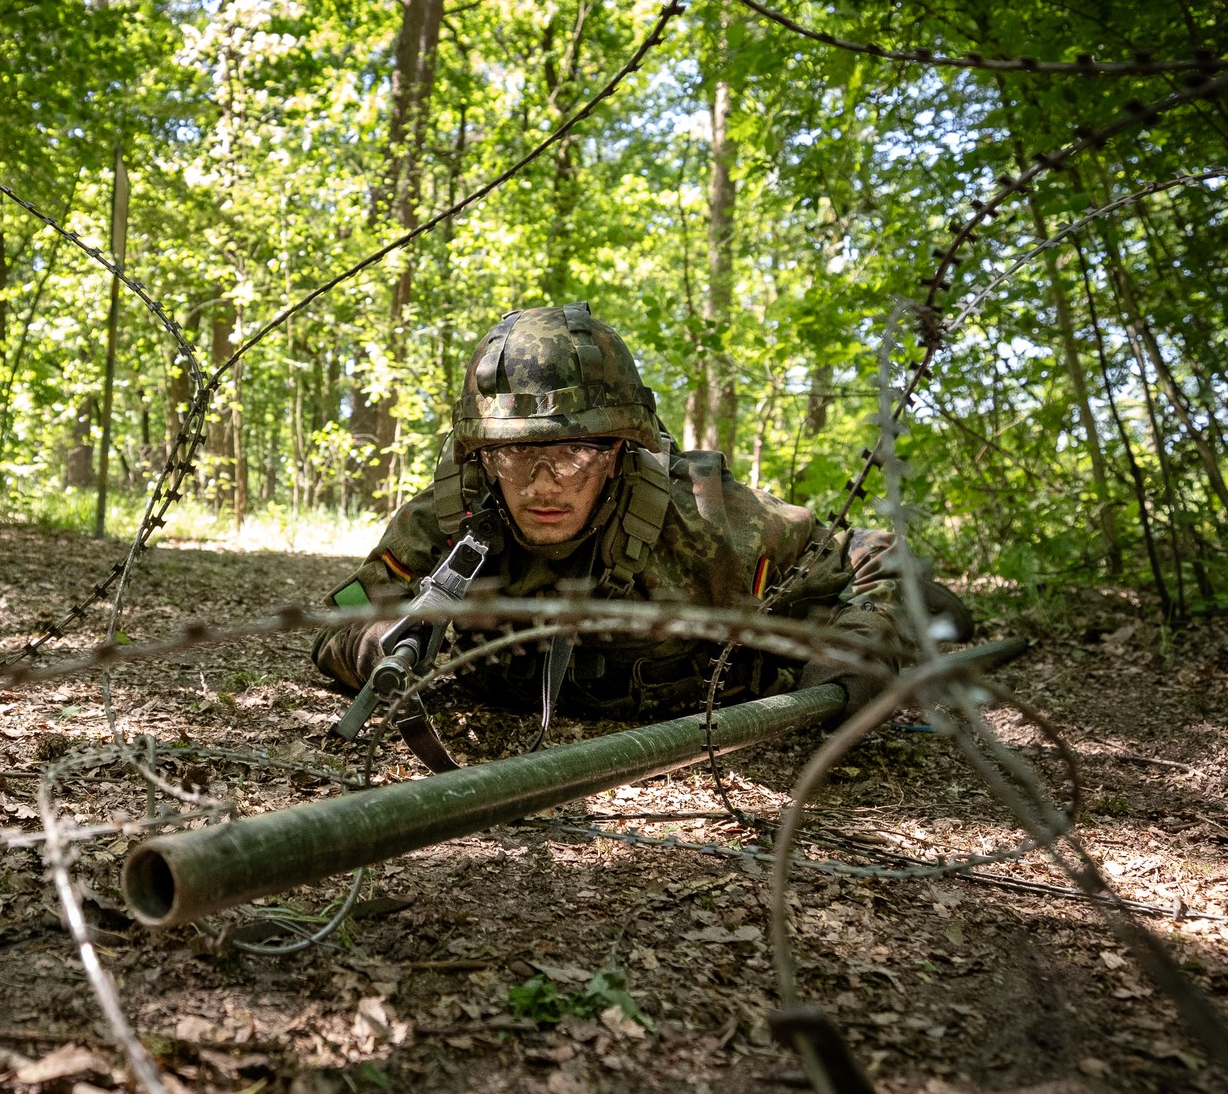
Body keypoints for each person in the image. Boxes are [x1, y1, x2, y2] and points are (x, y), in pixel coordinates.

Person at [312, 303, 971, 758]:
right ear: (478, 453)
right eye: (512, 454)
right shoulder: (447, 519)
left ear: (621, 450)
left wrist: (860, 644)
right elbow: (335, 621)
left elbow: (850, 572)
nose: (542, 483)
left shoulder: (713, 528)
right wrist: (379, 643)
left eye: (572, 455)